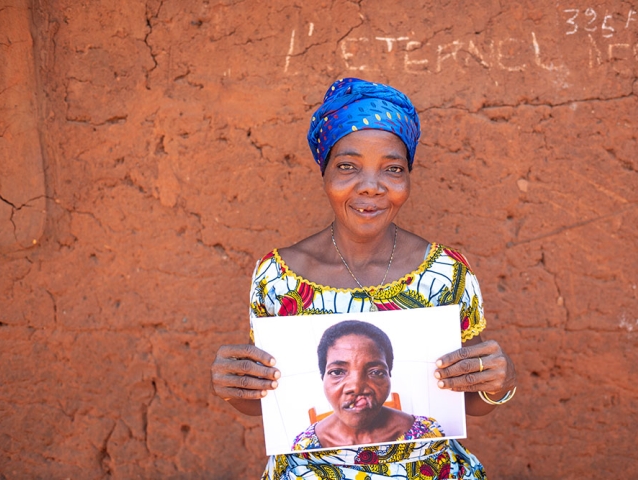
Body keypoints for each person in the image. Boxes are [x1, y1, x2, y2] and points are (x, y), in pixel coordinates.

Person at [211, 78, 518, 479]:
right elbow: (268, 402)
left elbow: (468, 401)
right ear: (324, 172)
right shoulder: (277, 276)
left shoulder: (445, 272)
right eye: (347, 167)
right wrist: (235, 386)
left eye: (392, 168)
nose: (370, 187)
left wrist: (500, 381)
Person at [291, 320, 445, 451]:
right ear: (322, 377)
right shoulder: (304, 447)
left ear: (389, 376)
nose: (356, 387)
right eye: (337, 372)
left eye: (376, 372)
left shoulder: (427, 434)